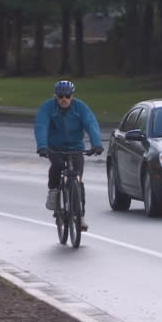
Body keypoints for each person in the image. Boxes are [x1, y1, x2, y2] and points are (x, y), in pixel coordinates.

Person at [34, 80, 103, 231]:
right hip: (55, 148)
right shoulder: (48, 108)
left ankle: (80, 216)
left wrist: (96, 144)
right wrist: (42, 147)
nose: (64, 99)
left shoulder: (80, 108)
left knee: (78, 180)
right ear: (55, 96)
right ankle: (53, 192)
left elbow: (91, 124)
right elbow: (41, 125)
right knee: (57, 166)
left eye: (67, 96)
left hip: (75, 148)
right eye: (60, 96)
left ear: (72, 96)